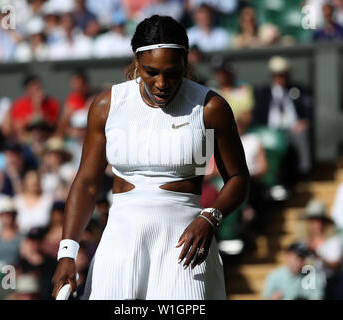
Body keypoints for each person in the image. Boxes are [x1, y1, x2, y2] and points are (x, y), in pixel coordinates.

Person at [51, 15, 250, 300]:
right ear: (136, 60)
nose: (161, 83)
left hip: (186, 245)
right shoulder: (108, 105)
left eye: (172, 72)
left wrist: (210, 218)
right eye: (151, 71)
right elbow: (86, 183)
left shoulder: (210, 107)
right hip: (120, 240)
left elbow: (238, 178)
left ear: (186, 61)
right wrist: (67, 252)